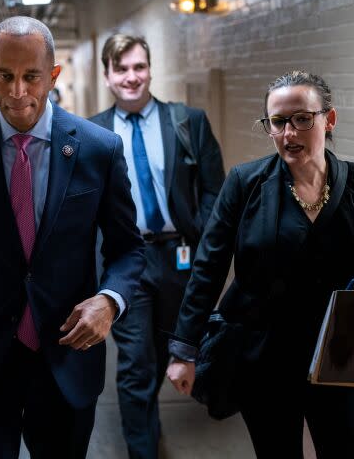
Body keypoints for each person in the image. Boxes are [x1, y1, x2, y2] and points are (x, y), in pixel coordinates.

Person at [0, 16, 146, 458]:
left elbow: (128, 248)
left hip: (65, 356)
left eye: (31, 76)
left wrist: (110, 299)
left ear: (53, 76)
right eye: (5, 76)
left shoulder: (98, 148)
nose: (17, 92)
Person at [166, 71, 354, 457]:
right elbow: (208, 268)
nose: (289, 133)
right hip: (264, 358)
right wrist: (184, 351)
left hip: (342, 355)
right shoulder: (245, 184)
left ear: (329, 119)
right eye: (278, 122)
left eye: (302, 119)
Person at [89, 33, 224, 459]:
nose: (132, 77)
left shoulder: (188, 122)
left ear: (150, 69)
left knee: (184, 344)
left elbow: (215, 191)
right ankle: (143, 450)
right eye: (122, 69)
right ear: (108, 75)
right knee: (134, 364)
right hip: (126, 261)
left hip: (180, 257)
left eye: (139, 67)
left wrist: (199, 235)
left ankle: (210, 398)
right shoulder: (93, 132)